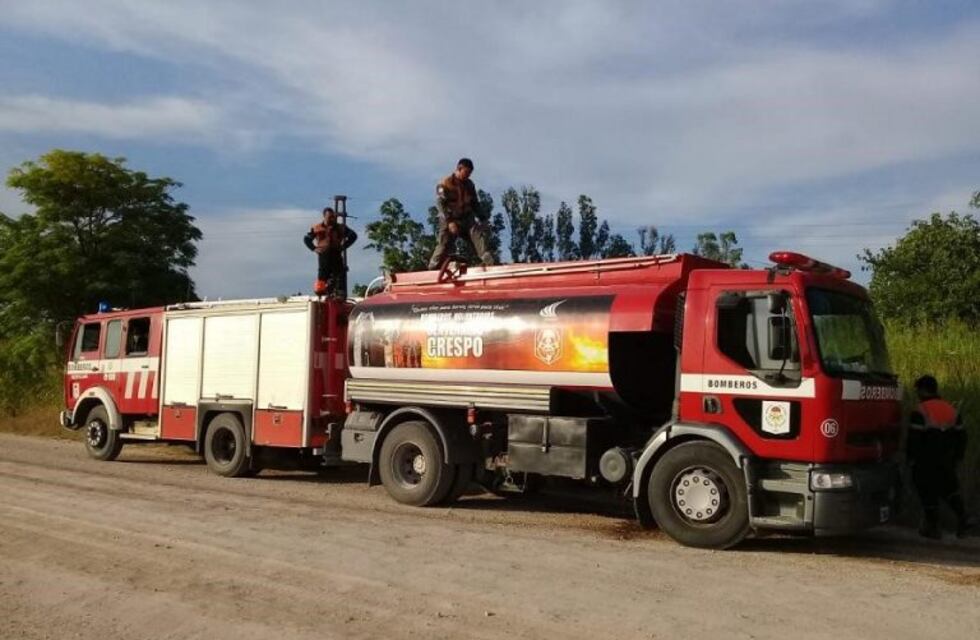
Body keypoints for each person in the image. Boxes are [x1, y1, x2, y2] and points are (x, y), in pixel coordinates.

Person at [907, 375, 972, 539]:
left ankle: (933, 527)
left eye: (918, 390)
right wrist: (958, 457)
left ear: (923, 390)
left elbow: (914, 439)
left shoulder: (920, 410)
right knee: (950, 490)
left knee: (927, 493)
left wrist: (911, 459)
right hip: (947, 460)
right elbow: (962, 436)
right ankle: (964, 520)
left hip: (926, 461)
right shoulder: (950, 409)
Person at [428, 157, 494, 270]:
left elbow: (475, 203)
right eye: (466, 173)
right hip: (450, 218)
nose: (468, 176)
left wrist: (483, 218)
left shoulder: (469, 185)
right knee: (444, 244)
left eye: (470, 173)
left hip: (466, 218)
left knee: (477, 234)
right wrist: (450, 222)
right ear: (459, 169)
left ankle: (487, 259)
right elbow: (440, 204)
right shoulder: (446, 183)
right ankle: (433, 266)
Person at [304, 207, 357, 297]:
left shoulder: (340, 227)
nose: (332, 219)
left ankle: (340, 293)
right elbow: (306, 239)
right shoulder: (317, 228)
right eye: (329, 217)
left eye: (333, 217)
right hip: (324, 254)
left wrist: (344, 246)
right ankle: (321, 294)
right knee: (322, 274)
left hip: (336, 253)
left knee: (340, 273)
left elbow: (353, 236)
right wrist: (314, 248)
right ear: (324, 217)